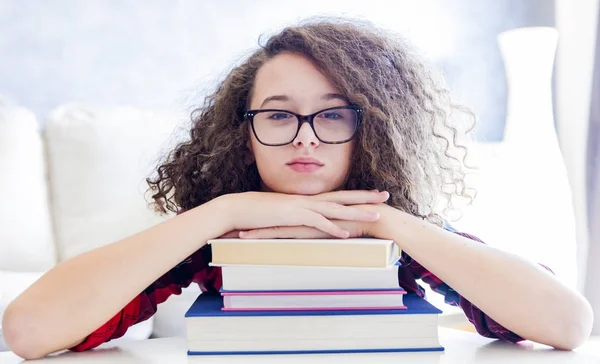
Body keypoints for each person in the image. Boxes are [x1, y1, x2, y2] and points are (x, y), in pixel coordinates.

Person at [2, 18, 593, 359]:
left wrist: (384, 223)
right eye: (279, 116)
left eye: (334, 116)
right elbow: (28, 331)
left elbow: (567, 325)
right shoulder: (213, 232)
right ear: (245, 133)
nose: (305, 140)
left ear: (375, 129)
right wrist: (226, 212)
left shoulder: (404, 236)